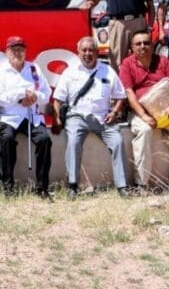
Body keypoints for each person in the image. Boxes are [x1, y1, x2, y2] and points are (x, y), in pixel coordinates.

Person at [52, 37, 127, 198]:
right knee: (73, 143)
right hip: (77, 116)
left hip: (103, 117)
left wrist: (114, 113)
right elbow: (57, 100)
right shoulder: (70, 72)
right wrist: (58, 118)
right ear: (78, 52)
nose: (87, 54)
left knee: (118, 142)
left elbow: (121, 96)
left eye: (91, 50)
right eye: (84, 50)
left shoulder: (107, 71)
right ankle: (73, 185)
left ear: (97, 52)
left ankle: (122, 186)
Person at [120, 29, 169, 189]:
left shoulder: (163, 61)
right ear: (132, 47)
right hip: (141, 112)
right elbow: (129, 92)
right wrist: (144, 116)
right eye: (138, 44)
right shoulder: (127, 63)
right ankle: (142, 183)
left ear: (152, 45)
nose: (143, 46)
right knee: (144, 131)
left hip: (166, 109)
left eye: (146, 43)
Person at [0, 35, 54, 196]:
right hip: (9, 117)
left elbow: (46, 94)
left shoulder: (34, 68)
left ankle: (42, 187)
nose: (18, 53)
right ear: (7, 52)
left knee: (44, 140)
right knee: (6, 140)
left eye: (21, 50)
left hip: (31, 116)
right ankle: (8, 186)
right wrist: (20, 95)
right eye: (14, 50)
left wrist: (34, 97)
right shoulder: (0, 71)